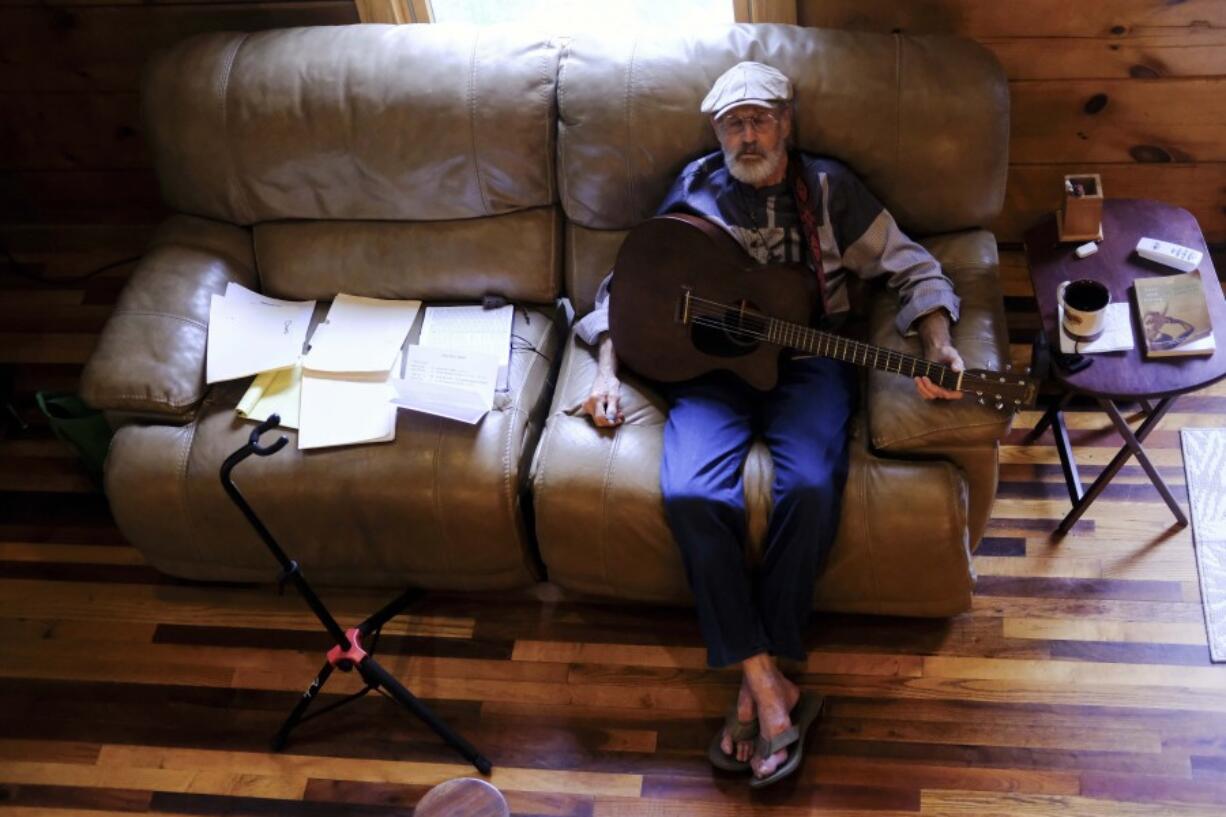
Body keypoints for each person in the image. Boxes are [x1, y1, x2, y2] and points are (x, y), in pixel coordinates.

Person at [572, 62, 965, 787]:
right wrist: (605, 369)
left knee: (812, 485)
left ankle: (761, 677)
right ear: (716, 133)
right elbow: (631, 285)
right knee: (691, 492)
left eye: (758, 118)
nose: (746, 135)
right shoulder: (693, 188)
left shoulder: (830, 191)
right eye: (731, 123)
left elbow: (916, 268)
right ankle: (768, 685)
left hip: (811, 361)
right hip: (711, 373)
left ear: (786, 122)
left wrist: (939, 343)